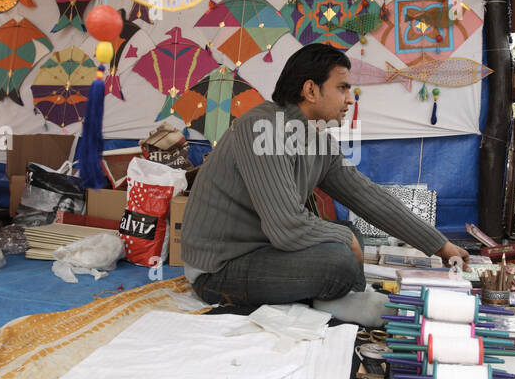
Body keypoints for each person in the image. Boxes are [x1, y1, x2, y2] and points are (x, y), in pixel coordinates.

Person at [182, 43, 469, 326]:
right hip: (218, 269)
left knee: (349, 232)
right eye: (342, 88)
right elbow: (286, 226)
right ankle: (340, 299)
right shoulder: (261, 127)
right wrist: (346, 241)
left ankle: (341, 298)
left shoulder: (319, 142)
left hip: (261, 251)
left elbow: (369, 197)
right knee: (339, 259)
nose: (349, 99)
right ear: (310, 90)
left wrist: (440, 245)